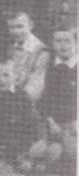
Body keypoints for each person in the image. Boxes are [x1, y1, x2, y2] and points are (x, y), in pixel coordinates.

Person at [0, 58, 46, 172]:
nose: (1, 79)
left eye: (6, 75)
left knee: (29, 156)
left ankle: (24, 159)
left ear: (16, 76)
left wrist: (40, 139)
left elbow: (35, 120)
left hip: (19, 138)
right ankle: (1, 159)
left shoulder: (22, 95)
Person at [37, 27, 77, 174]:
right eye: (58, 41)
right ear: (53, 44)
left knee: (71, 153)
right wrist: (51, 121)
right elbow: (45, 98)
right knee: (44, 148)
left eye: (67, 41)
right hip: (52, 122)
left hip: (73, 123)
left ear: (77, 43)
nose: (63, 45)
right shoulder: (51, 67)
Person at [6, 11, 49, 102]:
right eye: (11, 27)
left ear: (31, 26)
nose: (16, 31)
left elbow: (35, 87)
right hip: (8, 98)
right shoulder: (10, 47)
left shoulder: (41, 52)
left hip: (27, 103)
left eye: (20, 26)